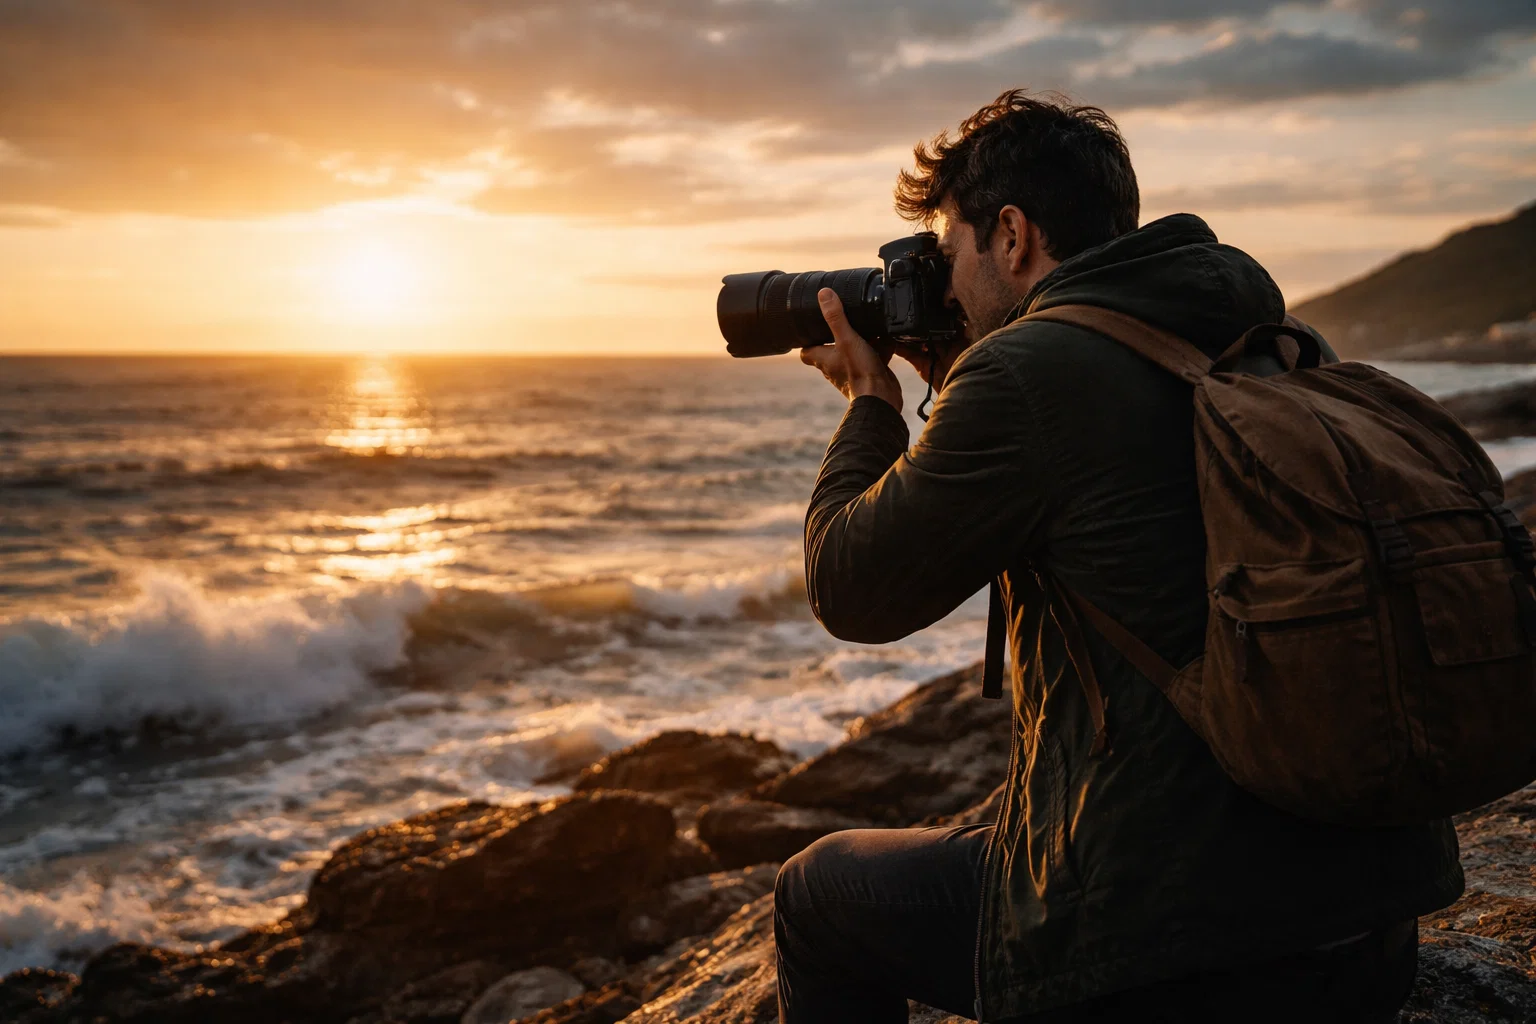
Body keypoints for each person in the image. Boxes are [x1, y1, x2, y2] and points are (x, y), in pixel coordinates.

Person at [776, 90, 1462, 1024]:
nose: (945, 287)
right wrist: (958, 386)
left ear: (1010, 236)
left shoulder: (1027, 374)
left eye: (951, 252)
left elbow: (849, 589)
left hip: (1174, 951)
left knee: (815, 895)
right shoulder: (1273, 340)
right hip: (1365, 926)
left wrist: (871, 403)